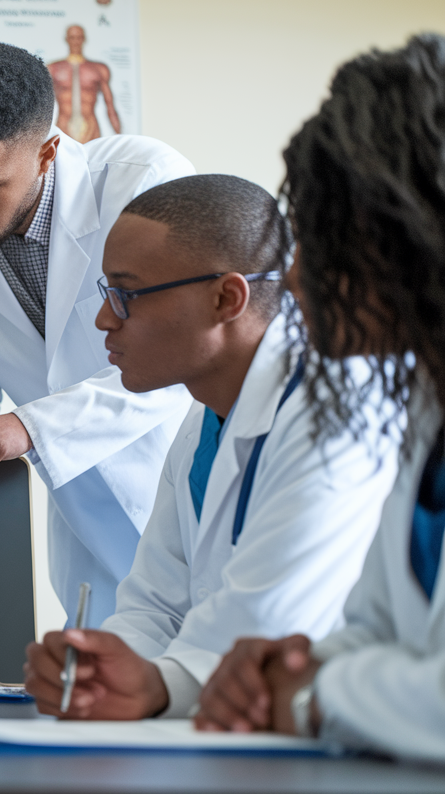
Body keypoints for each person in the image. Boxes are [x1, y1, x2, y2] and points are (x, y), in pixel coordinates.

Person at [22, 175, 398, 720]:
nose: (105, 319)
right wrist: (102, 667)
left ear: (226, 298)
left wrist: (152, 685)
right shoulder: (203, 421)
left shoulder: (332, 415)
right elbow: (153, 603)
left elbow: (270, 621)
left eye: (125, 295)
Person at [194, 35, 445, 763]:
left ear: (410, 237)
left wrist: (312, 695)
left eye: (321, 243)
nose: (297, 280)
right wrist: (288, 666)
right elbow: (376, 627)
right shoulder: (425, 411)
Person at [0, 41, 194, 625]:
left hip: (184, 486)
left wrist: (28, 426)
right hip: (84, 521)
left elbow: (184, 360)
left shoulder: (142, 185)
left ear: (48, 153)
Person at [46, 25, 121, 142]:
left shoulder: (99, 69)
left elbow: (110, 107)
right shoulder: (53, 69)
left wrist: (120, 137)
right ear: (67, 39)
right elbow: (42, 107)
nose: (76, 41)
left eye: (79, 37)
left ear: (84, 39)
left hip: (91, 129)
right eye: (72, 37)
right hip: (63, 129)